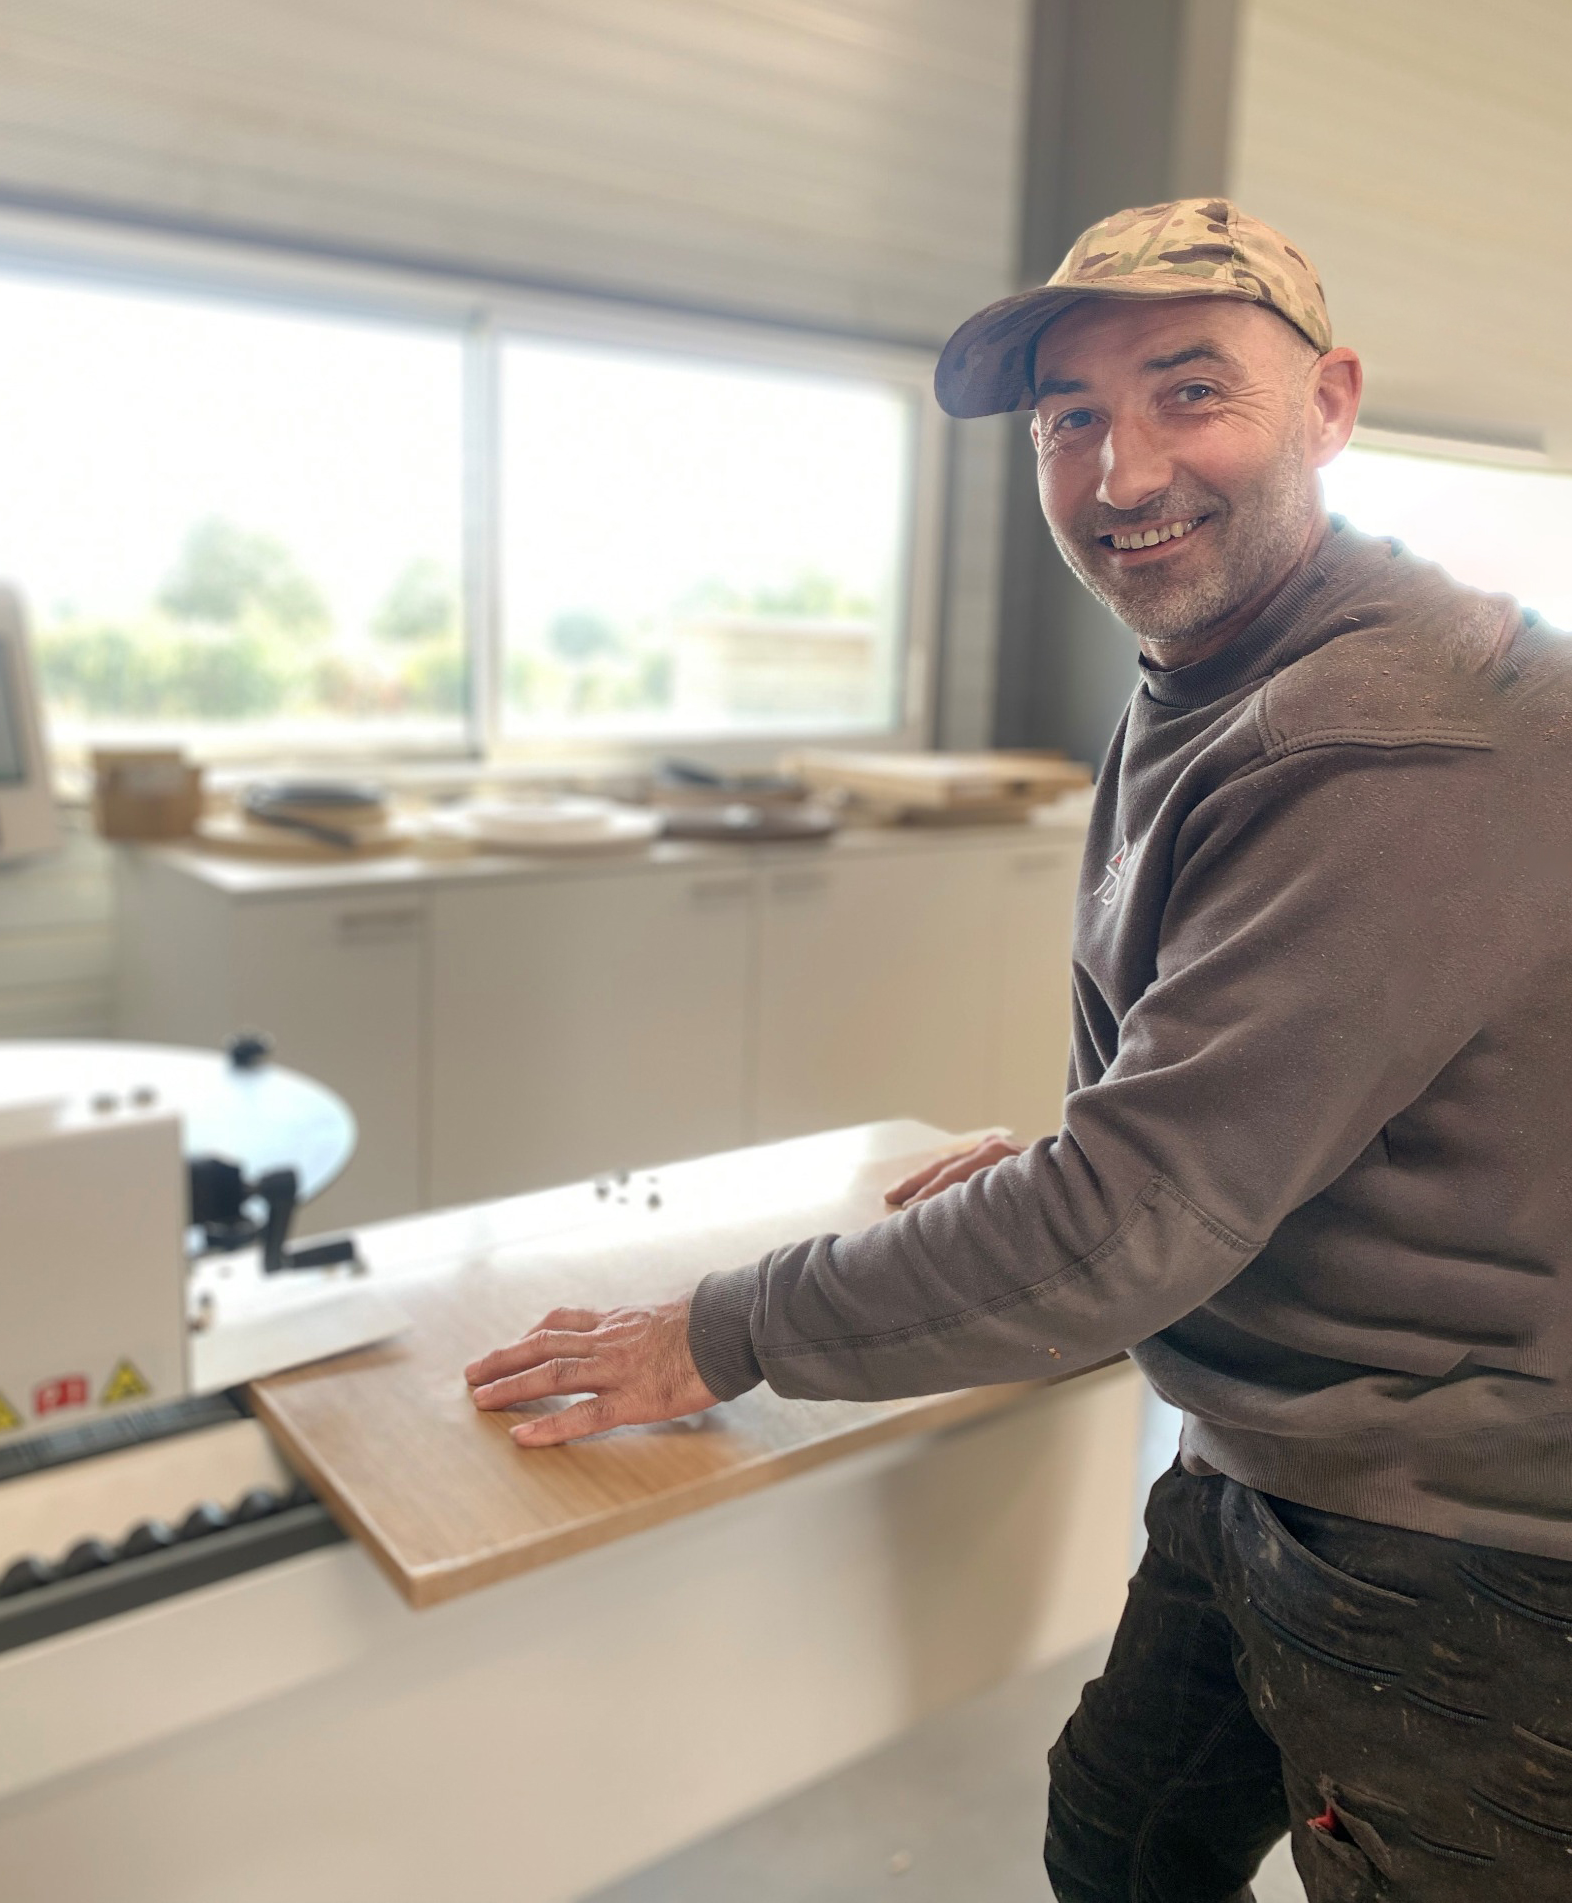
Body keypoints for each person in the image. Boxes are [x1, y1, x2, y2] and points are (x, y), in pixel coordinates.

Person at [465, 198, 1572, 1900]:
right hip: (1274, 1436)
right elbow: (1237, 1100)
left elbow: (1134, 1220)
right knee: (1121, 1839)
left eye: (1190, 392)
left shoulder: (1390, 739)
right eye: (1071, 419)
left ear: (1331, 403)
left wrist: (716, 1333)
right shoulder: (1220, 664)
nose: (1123, 472)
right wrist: (1107, 1158)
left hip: (1462, 1530)